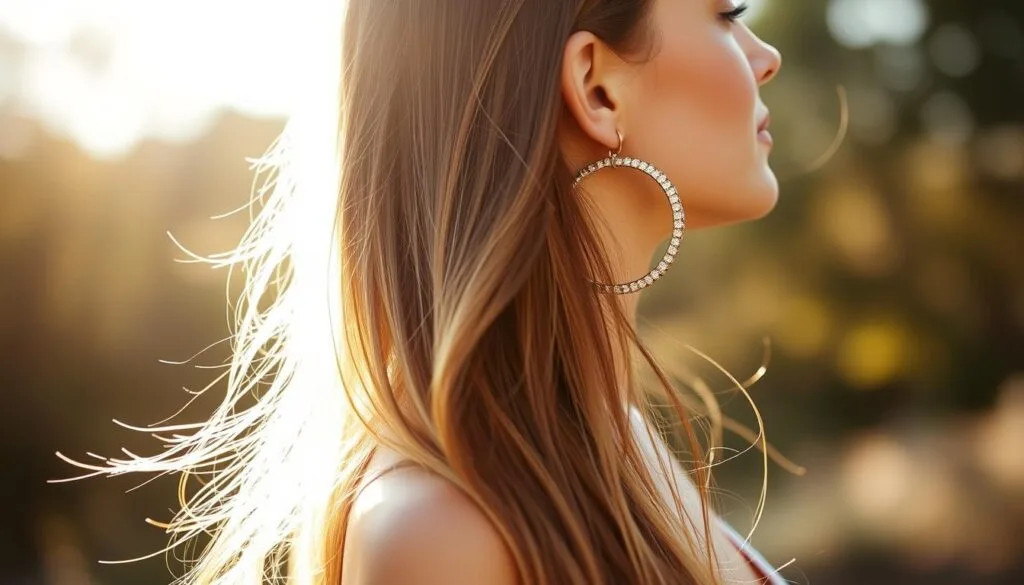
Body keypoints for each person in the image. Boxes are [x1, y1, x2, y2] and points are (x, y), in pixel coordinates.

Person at [59, 0, 789, 583]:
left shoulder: (611, 432)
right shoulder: (443, 537)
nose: (767, 59)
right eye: (729, 16)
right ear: (596, 86)